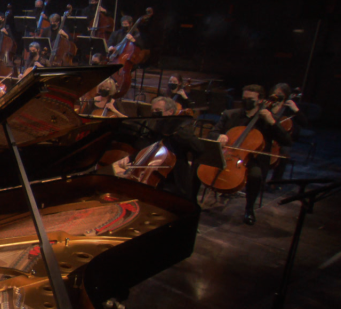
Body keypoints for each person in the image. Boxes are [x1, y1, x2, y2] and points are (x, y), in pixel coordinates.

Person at [211, 84, 291, 225]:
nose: (246, 101)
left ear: (260, 100)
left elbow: (286, 141)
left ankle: (249, 209)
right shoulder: (231, 114)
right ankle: (192, 201)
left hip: (254, 158)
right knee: (202, 163)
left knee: (255, 175)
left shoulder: (267, 119)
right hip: (229, 154)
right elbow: (213, 132)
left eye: (250, 99)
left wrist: (272, 122)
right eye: (244, 98)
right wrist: (219, 136)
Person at [120, 96, 205, 200]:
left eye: (158, 110)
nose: (154, 113)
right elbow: (146, 146)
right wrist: (130, 158)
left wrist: (179, 133)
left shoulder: (182, 128)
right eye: (153, 110)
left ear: (170, 112)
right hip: (154, 172)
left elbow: (199, 148)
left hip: (175, 177)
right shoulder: (155, 125)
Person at [266, 82, 306, 185]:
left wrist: (296, 110)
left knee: (283, 154)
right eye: (275, 93)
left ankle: (275, 181)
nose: (277, 95)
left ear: (286, 94)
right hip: (267, 134)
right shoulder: (269, 105)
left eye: (280, 93)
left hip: (282, 138)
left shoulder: (289, 108)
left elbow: (304, 123)